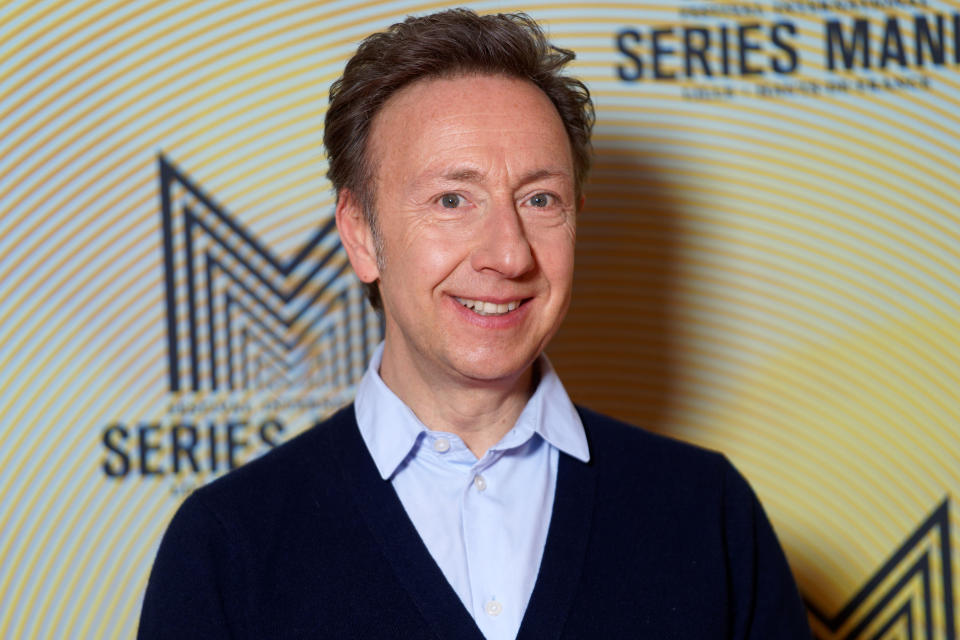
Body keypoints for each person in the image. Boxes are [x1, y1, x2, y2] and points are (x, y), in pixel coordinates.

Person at [138, 9, 812, 639]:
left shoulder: (708, 515)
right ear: (361, 233)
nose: (509, 254)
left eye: (540, 198)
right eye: (452, 199)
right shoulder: (228, 544)